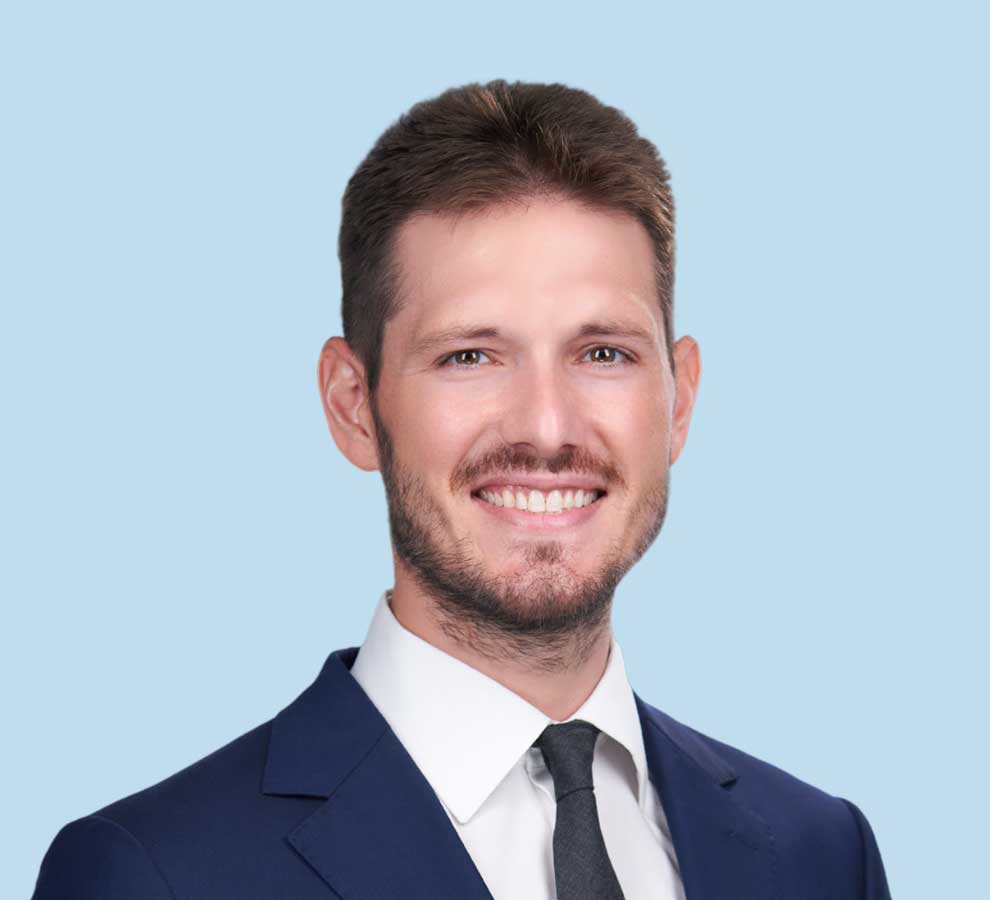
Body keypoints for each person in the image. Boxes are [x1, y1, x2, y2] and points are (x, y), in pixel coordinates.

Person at [32, 79, 892, 900]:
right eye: (469, 356)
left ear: (680, 397)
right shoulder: (155, 877)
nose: (547, 428)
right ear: (353, 406)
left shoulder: (822, 855)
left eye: (604, 354)